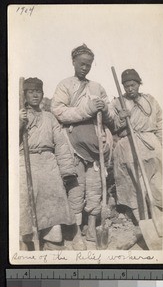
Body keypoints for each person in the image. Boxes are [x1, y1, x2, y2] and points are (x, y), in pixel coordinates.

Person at [51, 44, 114, 250]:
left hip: (96, 147)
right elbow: (58, 111)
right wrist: (87, 108)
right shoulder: (65, 85)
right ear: (73, 62)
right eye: (81, 64)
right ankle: (76, 232)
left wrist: (104, 109)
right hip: (73, 146)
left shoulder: (97, 87)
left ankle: (92, 227)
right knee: (77, 190)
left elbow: (110, 116)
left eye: (88, 65)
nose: (85, 68)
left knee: (95, 188)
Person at [19, 77, 77, 251]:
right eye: (31, 92)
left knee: (53, 198)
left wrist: (66, 170)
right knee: (26, 200)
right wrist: (18, 124)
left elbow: (60, 143)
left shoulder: (49, 117)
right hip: (26, 161)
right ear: (24, 95)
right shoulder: (19, 115)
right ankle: (27, 238)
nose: (35, 95)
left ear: (43, 95)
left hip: (48, 162)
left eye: (38, 92)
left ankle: (51, 237)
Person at [112, 69, 162, 237]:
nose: (129, 89)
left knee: (156, 183)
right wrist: (120, 118)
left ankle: (159, 217)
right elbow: (112, 126)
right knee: (134, 185)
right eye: (126, 86)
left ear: (139, 83)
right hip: (129, 147)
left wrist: (160, 143)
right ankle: (142, 221)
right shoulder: (117, 103)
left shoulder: (150, 101)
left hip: (151, 146)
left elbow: (160, 122)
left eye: (132, 85)